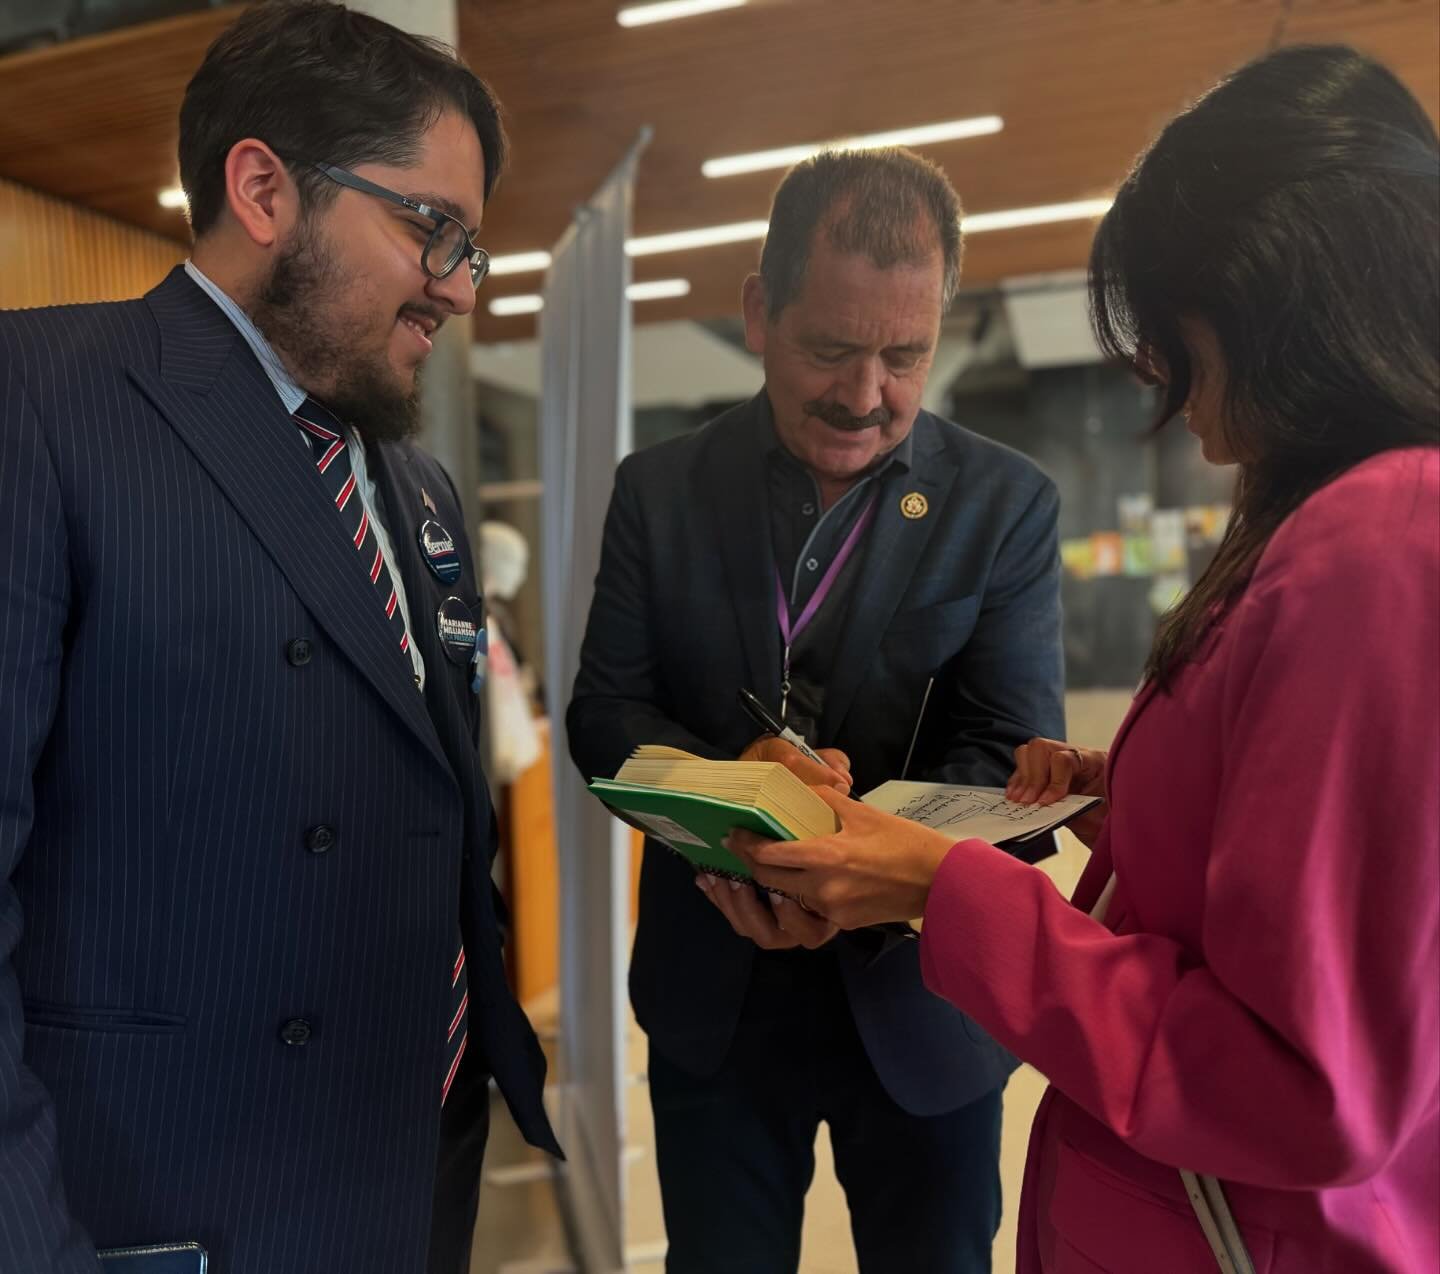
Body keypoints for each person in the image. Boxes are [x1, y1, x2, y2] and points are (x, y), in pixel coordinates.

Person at [727, 44, 1440, 1274]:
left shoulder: (1372, 539)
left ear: (1270, 310)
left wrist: (938, 888)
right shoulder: (1361, 519)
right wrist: (1142, 778)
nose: (1175, 395)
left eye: (1176, 337)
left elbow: (1304, 1076)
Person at [0, 5, 558, 1271]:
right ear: (262, 188)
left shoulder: (412, 485)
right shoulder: (40, 403)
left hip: (417, 1160)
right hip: (179, 1200)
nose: (461, 288)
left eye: (472, 248)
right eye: (434, 230)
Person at [568, 148, 1064, 1272]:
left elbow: (1007, 752)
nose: (865, 393)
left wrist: (859, 865)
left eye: (905, 355)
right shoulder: (661, 488)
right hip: (719, 1000)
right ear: (759, 309)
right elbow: (606, 707)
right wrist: (726, 791)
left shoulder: (1006, 504)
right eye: (832, 348)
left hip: (923, 1001)